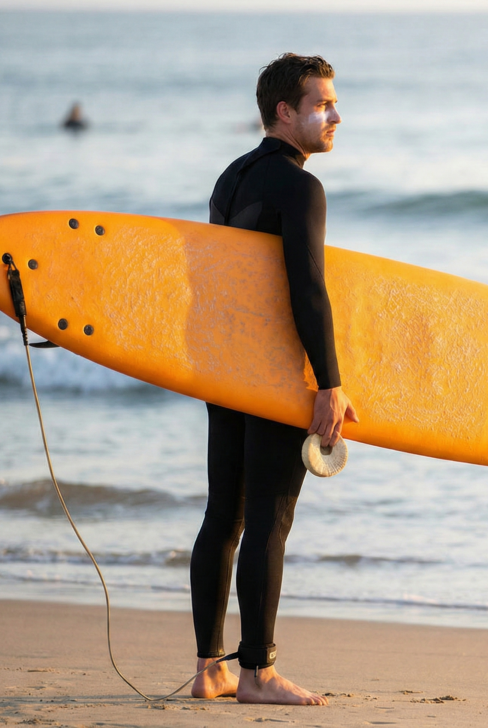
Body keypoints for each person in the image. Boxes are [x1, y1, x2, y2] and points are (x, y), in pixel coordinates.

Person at [189, 54, 358, 706]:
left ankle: (210, 667)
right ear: (285, 111)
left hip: (225, 371)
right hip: (272, 374)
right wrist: (330, 383)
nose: (336, 115)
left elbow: (223, 288)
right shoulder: (300, 187)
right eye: (323, 104)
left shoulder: (230, 179)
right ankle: (257, 672)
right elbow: (307, 292)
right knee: (270, 520)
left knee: (222, 517)